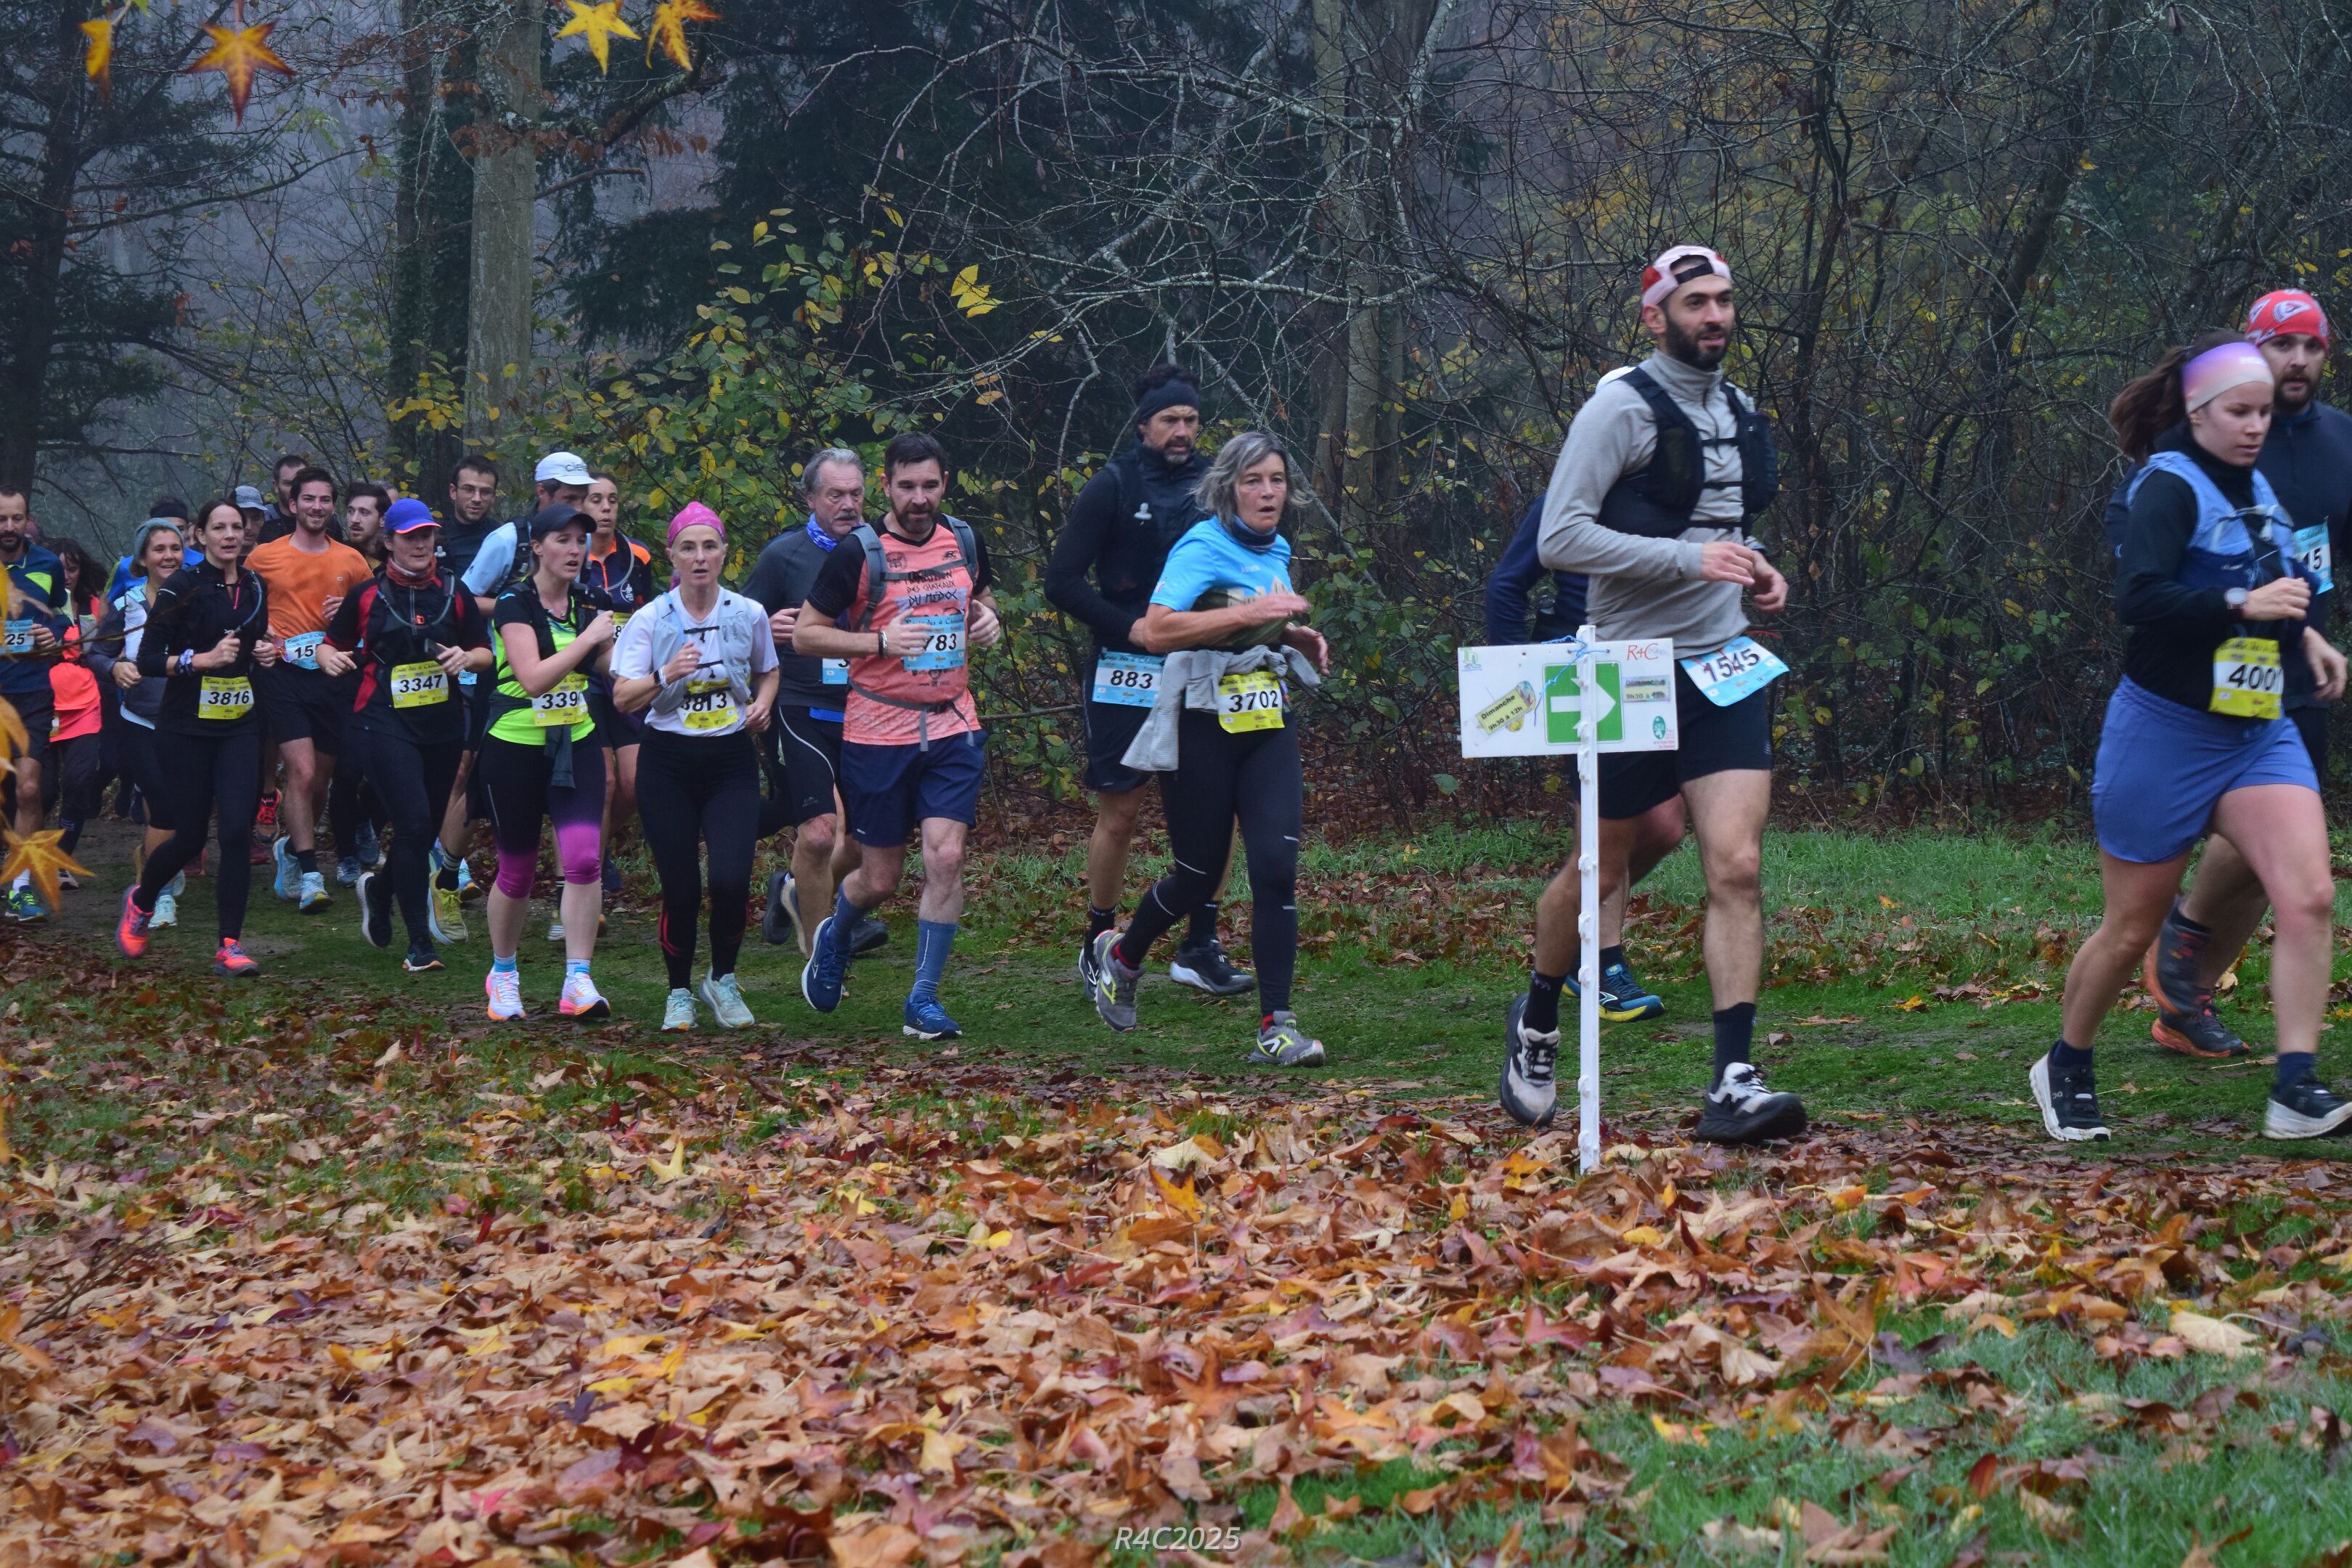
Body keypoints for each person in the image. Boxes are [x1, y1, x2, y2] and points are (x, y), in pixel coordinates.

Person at [1499, 244, 1805, 1144]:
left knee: (1736, 865)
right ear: (1655, 316)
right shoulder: (1618, 409)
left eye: (1725, 300)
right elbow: (1559, 540)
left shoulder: (1738, 410)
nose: (1716, 316)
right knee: (1598, 871)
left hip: (1723, 664)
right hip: (1626, 669)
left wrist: (1756, 568)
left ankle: (1733, 1080)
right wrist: (1687, 560)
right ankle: (1539, 1016)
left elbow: (1720, 529)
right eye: (1697, 302)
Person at [2034, 333, 2352, 1142]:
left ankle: (2296, 1086)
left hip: (2256, 731)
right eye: (2240, 412)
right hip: (2164, 731)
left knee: (2310, 896)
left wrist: (2307, 638)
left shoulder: (2258, 485)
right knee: (2131, 929)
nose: (2256, 427)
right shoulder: (2166, 487)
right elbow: (2140, 600)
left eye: (2264, 412)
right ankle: (2067, 1063)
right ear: (2199, 411)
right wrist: (2241, 608)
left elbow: (2277, 582)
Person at [2112, 290, 2352, 1061]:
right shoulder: (2212, 436)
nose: (2298, 361)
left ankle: (2186, 993)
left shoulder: (2341, 440)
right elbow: (2137, 544)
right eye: (2282, 345)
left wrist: (2312, 634)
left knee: (2274, 856)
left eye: (2312, 346)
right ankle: (2166, 952)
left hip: (2290, 665)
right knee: (2232, 848)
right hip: (2191, 673)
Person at [1084, 432, 1333, 1065]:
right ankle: (1123, 956)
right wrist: (1250, 617)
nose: (1268, 493)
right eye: (1253, 481)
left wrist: (1292, 636)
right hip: (1202, 726)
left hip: (1267, 721)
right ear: (1228, 489)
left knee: (1275, 869)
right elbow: (1159, 629)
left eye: (1277, 480)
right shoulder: (1201, 546)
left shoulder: (1277, 548)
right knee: (1197, 876)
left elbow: (1254, 620)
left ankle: (1276, 1027)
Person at [1045, 365, 1252, 999]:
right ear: (1144, 427)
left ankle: (1199, 945)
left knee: (1221, 811)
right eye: (1170, 420)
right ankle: (1099, 938)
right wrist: (1130, 628)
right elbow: (1061, 581)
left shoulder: (1219, 485)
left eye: (1191, 420)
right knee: (1122, 810)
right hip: (1126, 667)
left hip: (1203, 666)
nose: (1182, 431)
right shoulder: (1112, 485)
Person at [792, 433, 1002, 1040]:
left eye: (930, 486)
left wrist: (989, 620)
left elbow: (982, 598)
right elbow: (806, 634)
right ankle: (834, 934)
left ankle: (924, 1000)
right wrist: (879, 642)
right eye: (907, 487)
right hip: (879, 728)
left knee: (947, 857)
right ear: (885, 486)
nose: (919, 499)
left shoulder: (964, 539)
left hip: (953, 722)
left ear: (945, 484)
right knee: (879, 878)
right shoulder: (858, 552)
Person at [1485, 487, 1683, 1022]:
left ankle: (1570, 934)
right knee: (1606, 836)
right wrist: (1514, 671)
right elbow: (1507, 584)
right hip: (1582, 672)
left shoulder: (1671, 494)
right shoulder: (1569, 497)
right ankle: (1601, 965)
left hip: (1648, 671)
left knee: (1665, 826)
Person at [612, 503, 778, 1029]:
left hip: (730, 761)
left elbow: (769, 670)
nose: (700, 557)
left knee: (731, 880)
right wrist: (666, 674)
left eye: (709, 547)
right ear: (672, 556)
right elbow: (622, 697)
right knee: (681, 887)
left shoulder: (748, 613)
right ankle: (679, 992)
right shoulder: (651, 619)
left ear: (725, 553)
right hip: (668, 764)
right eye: (689, 548)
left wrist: (763, 704)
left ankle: (722, 980)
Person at [321, 498, 493, 973]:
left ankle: (380, 891)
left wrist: (466, 658)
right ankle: (419, 944)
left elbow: (485, 651)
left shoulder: (455, 591)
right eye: (411, 536)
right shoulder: (366, 596)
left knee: (423, 828)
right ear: (389, 542)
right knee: (414, 824)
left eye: (427, 535)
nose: (421, 544)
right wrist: (329, 661)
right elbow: (330, 645)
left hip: (442, 725)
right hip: (382, 721)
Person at [113, 499, 279, 975]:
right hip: (185, 727)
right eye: (219, 528)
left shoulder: (255, 586)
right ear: (200, 537)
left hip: (239, 725)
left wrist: (264, 652)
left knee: (235, 831)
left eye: (236, 527)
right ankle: (142, 900)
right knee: (188, 836)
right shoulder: (181, 587)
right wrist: (198, 661)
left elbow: (252, 641)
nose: (230, 535)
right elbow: (148, 659)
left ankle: (230, 945)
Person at [741, 447, 886, 957]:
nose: (848, 504)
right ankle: (821, 956)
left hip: (868, 707)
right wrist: (767, 627)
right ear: (810, 498)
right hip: (801, 704)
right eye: (835, 495)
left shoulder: (882, 550)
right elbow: (736, 628)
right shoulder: (784, 556)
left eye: (856, 493)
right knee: (821, 833)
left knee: (864, 842)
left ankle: (794, 889)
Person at [478, 505, 616, 1021]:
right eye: (563, 539)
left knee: (583, 860)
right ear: (537, 546)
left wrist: (659, 662)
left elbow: (612, 668)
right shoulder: (514, 602)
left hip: (576, 740)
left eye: (581, 540)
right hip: (514, 746)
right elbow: (533, 679)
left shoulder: (591, 601)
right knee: (517, 869)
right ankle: (503, 974)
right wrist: (589, 639)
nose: (575, 550)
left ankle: (578, 980)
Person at [246, 467, 372, 911]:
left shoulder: (351, 561)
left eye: (324, 500)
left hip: (333, 677)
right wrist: (259, 637)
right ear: (293, 504)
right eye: (308, 499)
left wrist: (350, 611)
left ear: (332, 506)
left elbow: (373, 619)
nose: (317, 507)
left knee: (319, 780)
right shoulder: (264, 557)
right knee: (299, 772)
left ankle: (289, 850)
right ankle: (312, 872)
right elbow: (243, 609)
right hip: (283, 676)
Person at [86, 519, 186, 927]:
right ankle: (159, 894)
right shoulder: (127, 604)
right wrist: (114, 669)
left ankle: (160, 861)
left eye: (175, 548)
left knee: (182, 808)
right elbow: (95, 653)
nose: (168, 556)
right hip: (140, 720)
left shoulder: (196, 599)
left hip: (189, 721)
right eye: (159, 549)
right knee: (162, 803)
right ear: (142, 558)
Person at [428, 453, 506, 938]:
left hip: (489, 666)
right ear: (453, 491)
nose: (478, 499)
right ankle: (441, 863)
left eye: (486, 491)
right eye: (469, 490)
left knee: (470, 771)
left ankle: (446, 864)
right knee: (454, 770)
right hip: (439, 666)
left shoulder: (505, 539)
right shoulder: (434, 539)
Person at [579, 470, 655, 900]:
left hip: (627, 678)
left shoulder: (638, 555)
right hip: (585, 679)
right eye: (596, 500)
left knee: (638, 783)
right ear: (581, 506)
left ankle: (597, 844)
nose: (606, 508)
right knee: (604, 783)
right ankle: (584, 879)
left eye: (612, 499)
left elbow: (647, 615)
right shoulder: (572, 555)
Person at [0, 483, 68, 923]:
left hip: (32, 692)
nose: (9, 527)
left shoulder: (47, 564)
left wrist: (52, 635)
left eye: (17, 518)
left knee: (28, 789)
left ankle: (19, 888)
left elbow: (63, 616)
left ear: (28, 520)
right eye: (1, 519)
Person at [43, 625, 102, 877]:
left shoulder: (95, 610)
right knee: (42, 792)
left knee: (79, 783)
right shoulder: (31, 607)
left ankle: (62, 858)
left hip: (85, 707)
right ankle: (19, 846)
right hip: (40, 706)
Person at [255, 454, 310, 543]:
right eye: (288, 484)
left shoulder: (322, 520)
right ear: (276, 486)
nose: (295, 489)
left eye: (301, 483)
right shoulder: (262, 520)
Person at [345, 483, 391, 566]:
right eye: (351, 511)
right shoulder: (340, 556)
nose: (354, 520)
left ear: (383, 520)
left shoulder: (397, 559)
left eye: (364, 513)